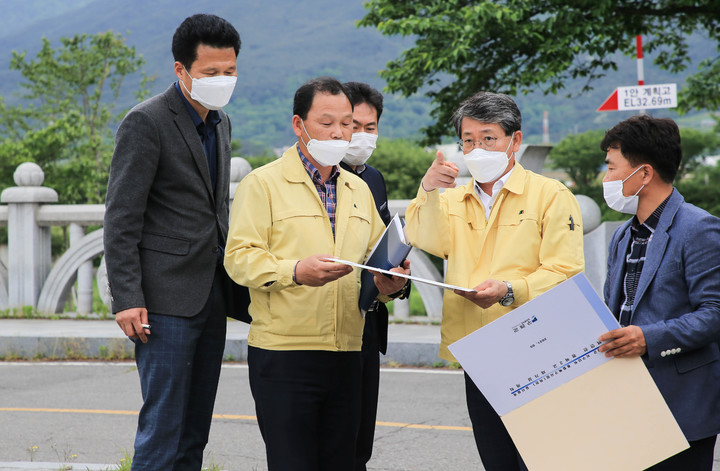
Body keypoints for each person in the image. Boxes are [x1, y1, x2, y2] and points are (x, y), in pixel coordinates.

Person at [223, 76, 409, 471]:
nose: (340, 132)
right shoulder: (263, 184)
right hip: (285, 353)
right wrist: (295, 271)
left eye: (347, 123)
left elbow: (375, 264)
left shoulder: (359, 190)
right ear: (299, 125)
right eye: (327, 123)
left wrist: (390, 282)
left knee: (343, 462)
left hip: (348, 351)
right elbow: (238, 259)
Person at [404, 91, 584, 471]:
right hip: (478, 350)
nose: (477, 148)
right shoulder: (453, 198)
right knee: (496, 457)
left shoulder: (550, 195)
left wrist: (509, 291)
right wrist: (429, 190)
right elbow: (425, 239)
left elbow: (565, 271)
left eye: (488, 138)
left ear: (514, 141)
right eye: (468, 140)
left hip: (535, 346)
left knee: (541, 457)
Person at [103, 14, 242, 471]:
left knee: (194, 431)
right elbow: (122, 217)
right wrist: (127, 297)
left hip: (212, 294)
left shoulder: (220, 122)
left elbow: (216, 209)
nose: (222, 81)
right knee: (163, 429)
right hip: (162, 301)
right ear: (181, 71)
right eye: (210, 73)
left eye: (230, 71)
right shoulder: (146, 122)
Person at [598, 115, 720, 470]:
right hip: (627, 400)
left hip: (681, 406)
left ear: (645, 173)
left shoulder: (698, 228)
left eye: (611, 168)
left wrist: (648, 338)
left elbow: (714, 313)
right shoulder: (624, 234)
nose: (606, 179)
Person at [340, 81, 411, 470]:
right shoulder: (320, 178)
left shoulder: (374, 178)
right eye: (354, 125)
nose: (362, 136)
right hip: (327, 321)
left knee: (360, 441)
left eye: (371, 128)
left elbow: (384, 242)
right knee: (332, 439)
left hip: (368, 320)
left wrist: (398, 274)